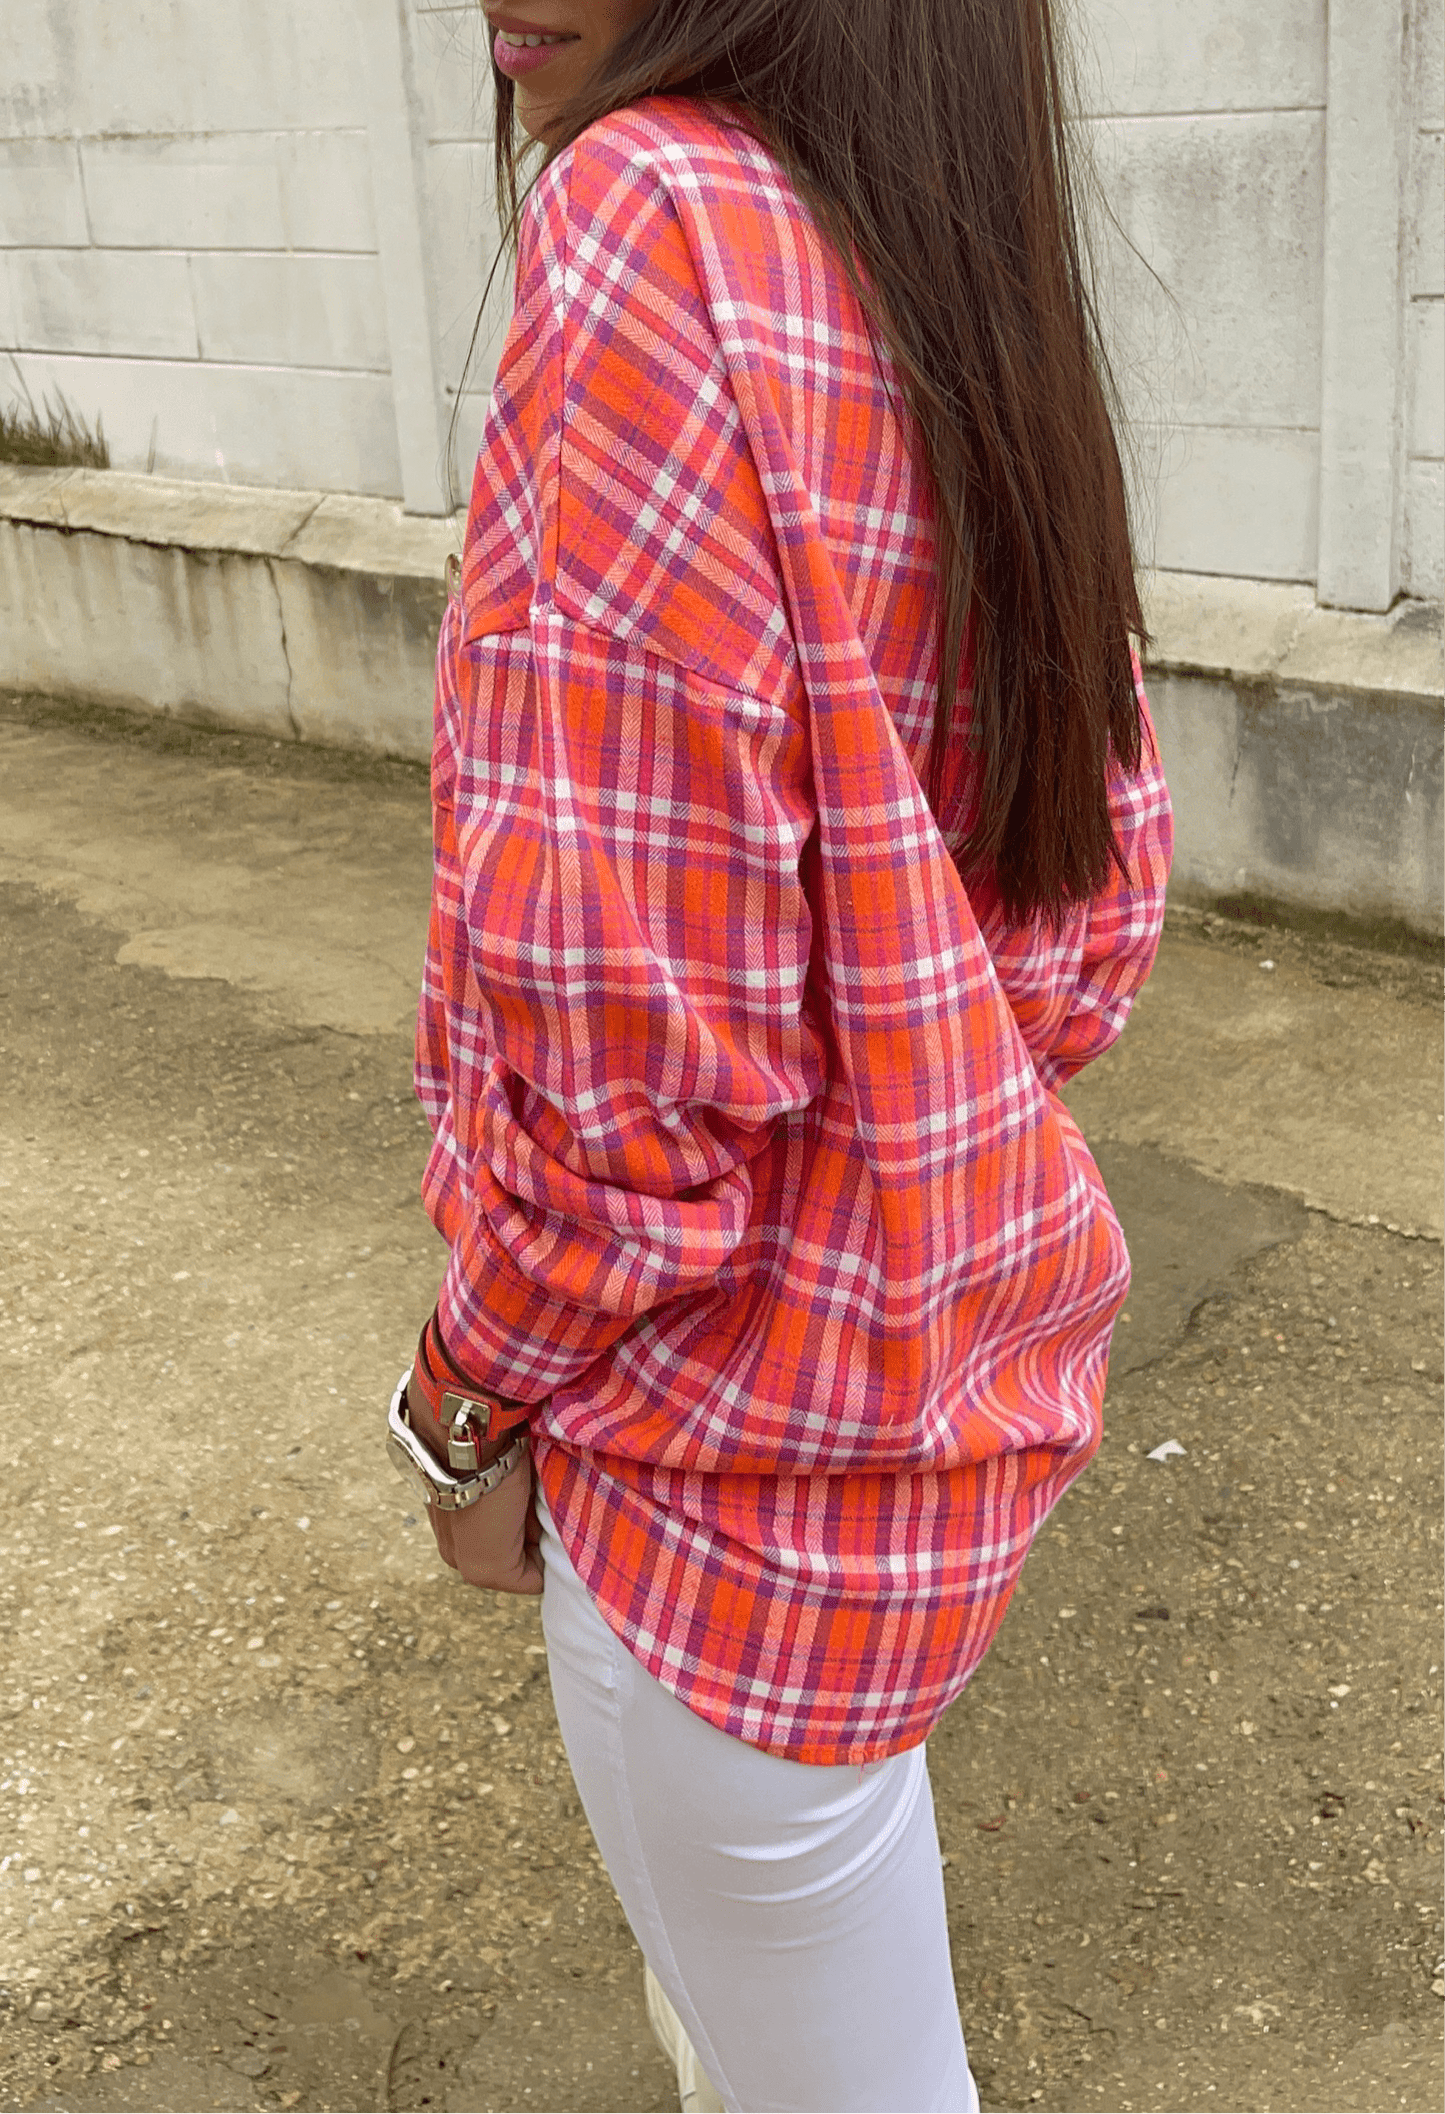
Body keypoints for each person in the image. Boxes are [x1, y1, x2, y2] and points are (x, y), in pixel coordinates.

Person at [384, 4, 1173, 2109]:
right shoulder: (935, 252)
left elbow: (622, 1102)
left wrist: (459, 1403)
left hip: (715, 1499)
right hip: (925, 1442)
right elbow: (1084, 925)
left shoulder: (647, 219)